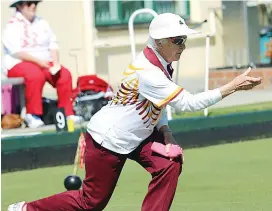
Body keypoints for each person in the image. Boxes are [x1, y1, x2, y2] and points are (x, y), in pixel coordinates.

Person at [8, 13, 262, 211]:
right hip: (107, 139)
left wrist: (166, 133)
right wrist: (233, 86)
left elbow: (156, 104)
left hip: (136, 136)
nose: (182, 46)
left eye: (184, 40)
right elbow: (188, 103)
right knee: (91, 203)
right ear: (160, 42)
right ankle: (27, 208)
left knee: (169, 164)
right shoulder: (149, 72)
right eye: (177, 40)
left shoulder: (162, 63)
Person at [2, 0, 83, 128]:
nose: (33, 6)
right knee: (35, 75)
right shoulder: (12, 25)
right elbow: (16, 51)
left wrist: (55, 63)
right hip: (19, 63)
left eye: (35, 2)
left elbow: (53, 44)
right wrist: (39, 62)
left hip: (44, 62)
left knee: (64, 74)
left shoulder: (42, 23)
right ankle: (32, 114)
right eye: (29, 3)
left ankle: (66, 113)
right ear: (19, 6)